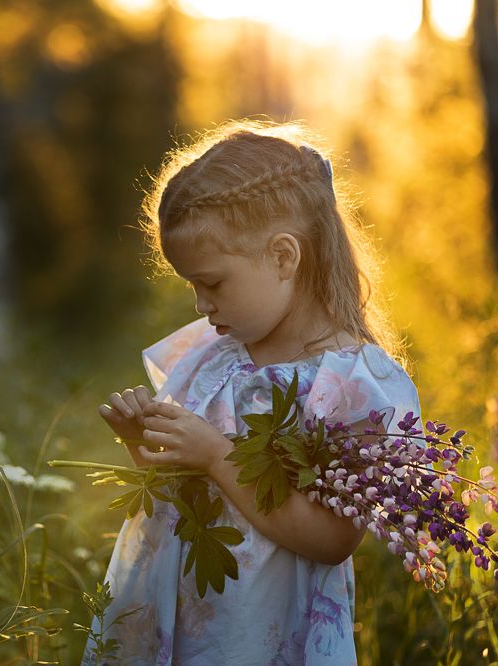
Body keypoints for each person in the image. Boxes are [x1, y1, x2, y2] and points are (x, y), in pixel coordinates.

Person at [85, 120, 421, 665]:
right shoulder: (213, 356)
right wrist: (146, 446)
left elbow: (333, 540)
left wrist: (216, 455)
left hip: (263, 632)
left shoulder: (350, 384)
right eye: (191, 285)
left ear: (284, 257)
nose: (201, 305)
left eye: (212, 282)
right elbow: (183, 494)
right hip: (186, 623)